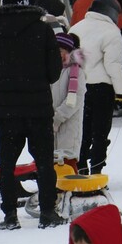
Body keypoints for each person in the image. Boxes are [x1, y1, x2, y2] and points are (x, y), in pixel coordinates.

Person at [0, 0, 66, 230]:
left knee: (7, 163)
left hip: (9, 109)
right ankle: (48, 212)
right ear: (26, 2)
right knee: (43, 162)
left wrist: (7, 83)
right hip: (39, 107)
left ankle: (9, 216)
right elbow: (53, 72)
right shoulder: (43, 30)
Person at [70, 0, 122, 175]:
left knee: (82, 132)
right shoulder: (111, 32)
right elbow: (113, 65)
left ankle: (80, 168)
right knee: (100, 133)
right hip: (102, 89)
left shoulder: (76, 28)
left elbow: (70, 62)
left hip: (80, 87)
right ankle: (96, 170)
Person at [50, 30, 85, 170]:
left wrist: (58, 117)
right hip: (52, 125)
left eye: (61, 50)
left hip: (69, 125)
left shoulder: (76, 72)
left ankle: (71, 188)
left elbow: (75, 99)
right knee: (52, 162)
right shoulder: (52, 71)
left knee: (67, 162)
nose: (58, 54)